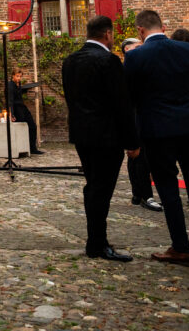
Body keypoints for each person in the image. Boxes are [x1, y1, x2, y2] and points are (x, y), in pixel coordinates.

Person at [125, 9, 189, 266]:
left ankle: (181, 247)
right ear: (163, 26)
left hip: (157, 131)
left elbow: (131, 98)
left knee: (168, 188)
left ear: (140, 31)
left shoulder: (135, 56)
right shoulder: (188, 50)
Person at [62, 15, 141, 262]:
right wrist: (132, 141)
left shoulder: (70, 61)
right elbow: (122, 104)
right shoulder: (108, 60)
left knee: (93, 186)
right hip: (107, 137)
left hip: (82, 135)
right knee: (100, 190)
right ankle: (97, 243)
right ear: (107, 34)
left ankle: (96, 240)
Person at [120, 38, 162, 212]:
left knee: (140, 157)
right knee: (138, 157)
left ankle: (138, 193)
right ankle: (145, 195)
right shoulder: (125, 70)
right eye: (138, 47)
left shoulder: (143, 67)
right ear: (127, 50)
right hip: (134, 117)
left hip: (146, 116)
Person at [6, 68, 43, 155]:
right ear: (13, 76)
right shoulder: (10, 85)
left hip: (22, 107)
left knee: (33, 126)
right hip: (16, 109)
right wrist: (11, 114)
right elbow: (10, 100)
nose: (19, 78)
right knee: (20, 129)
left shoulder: (18, 84)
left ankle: (33, 148)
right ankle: (19, 148)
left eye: (20, 76)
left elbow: (19, 92)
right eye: (17, 76)